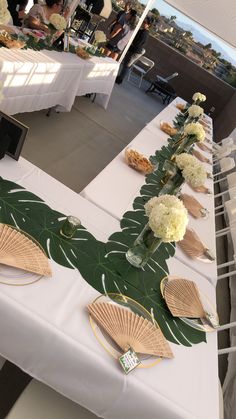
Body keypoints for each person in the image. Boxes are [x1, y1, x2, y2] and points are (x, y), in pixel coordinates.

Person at [115, 16, 153, 84]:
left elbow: (138, 43)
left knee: (127, 65)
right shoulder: (142, 31)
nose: (143, 23)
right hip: (133, 49)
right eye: (143, 21)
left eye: (145, 22)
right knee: (125, 64)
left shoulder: (144, 33)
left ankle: (119, 79)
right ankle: (119, 77)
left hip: (135, 51)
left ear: (149, 25)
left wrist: (131, 42)